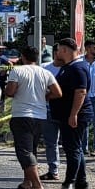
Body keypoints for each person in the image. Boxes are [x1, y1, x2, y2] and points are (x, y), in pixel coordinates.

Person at [4, 47, 61, 189]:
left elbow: (10, 91)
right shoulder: (45, 72)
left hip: (22, 115)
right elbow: (57, 92)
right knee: (32, 149)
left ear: (22, 56)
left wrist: (7, 88)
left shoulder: (17, 71)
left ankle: (36, 184)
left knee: (24, 151)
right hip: (40, 116)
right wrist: (44, 98)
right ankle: (27, 181)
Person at [50, 37, 91, 189]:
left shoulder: (77, 68)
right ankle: (81, 181)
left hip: (75, 115)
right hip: (66, 114)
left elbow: (81, 92)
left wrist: (73, 114)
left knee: (72, 149)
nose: (57, 53)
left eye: (59, 50)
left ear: (65, 50)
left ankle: (70, 182)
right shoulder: (68, 66)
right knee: (75, 148)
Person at [39, 48, 64, 180]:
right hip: (48, 109)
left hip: (65, 110)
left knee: (70, 144)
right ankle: (53, 170)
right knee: (51, 142)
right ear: (56, 53)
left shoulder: (69, 68)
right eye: (62, 51)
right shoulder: (44, 68)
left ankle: (74, 173)